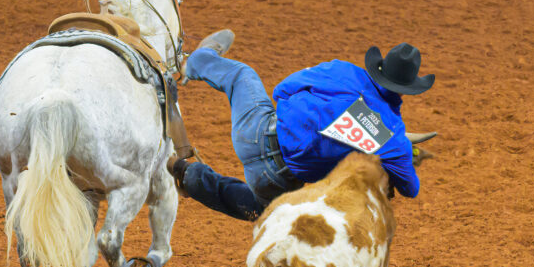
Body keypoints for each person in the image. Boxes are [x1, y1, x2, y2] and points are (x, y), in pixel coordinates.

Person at [169, 32, 434, 220]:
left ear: (380, 67)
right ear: (409, 90)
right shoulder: (394, 140)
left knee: (242, 75)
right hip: (275, 179)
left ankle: (198, 60)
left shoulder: (341, 71)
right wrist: (399, 153)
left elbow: (282, 89)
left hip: (255, 129)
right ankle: (191, 178)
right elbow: (411, 190)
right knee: (264, 209)